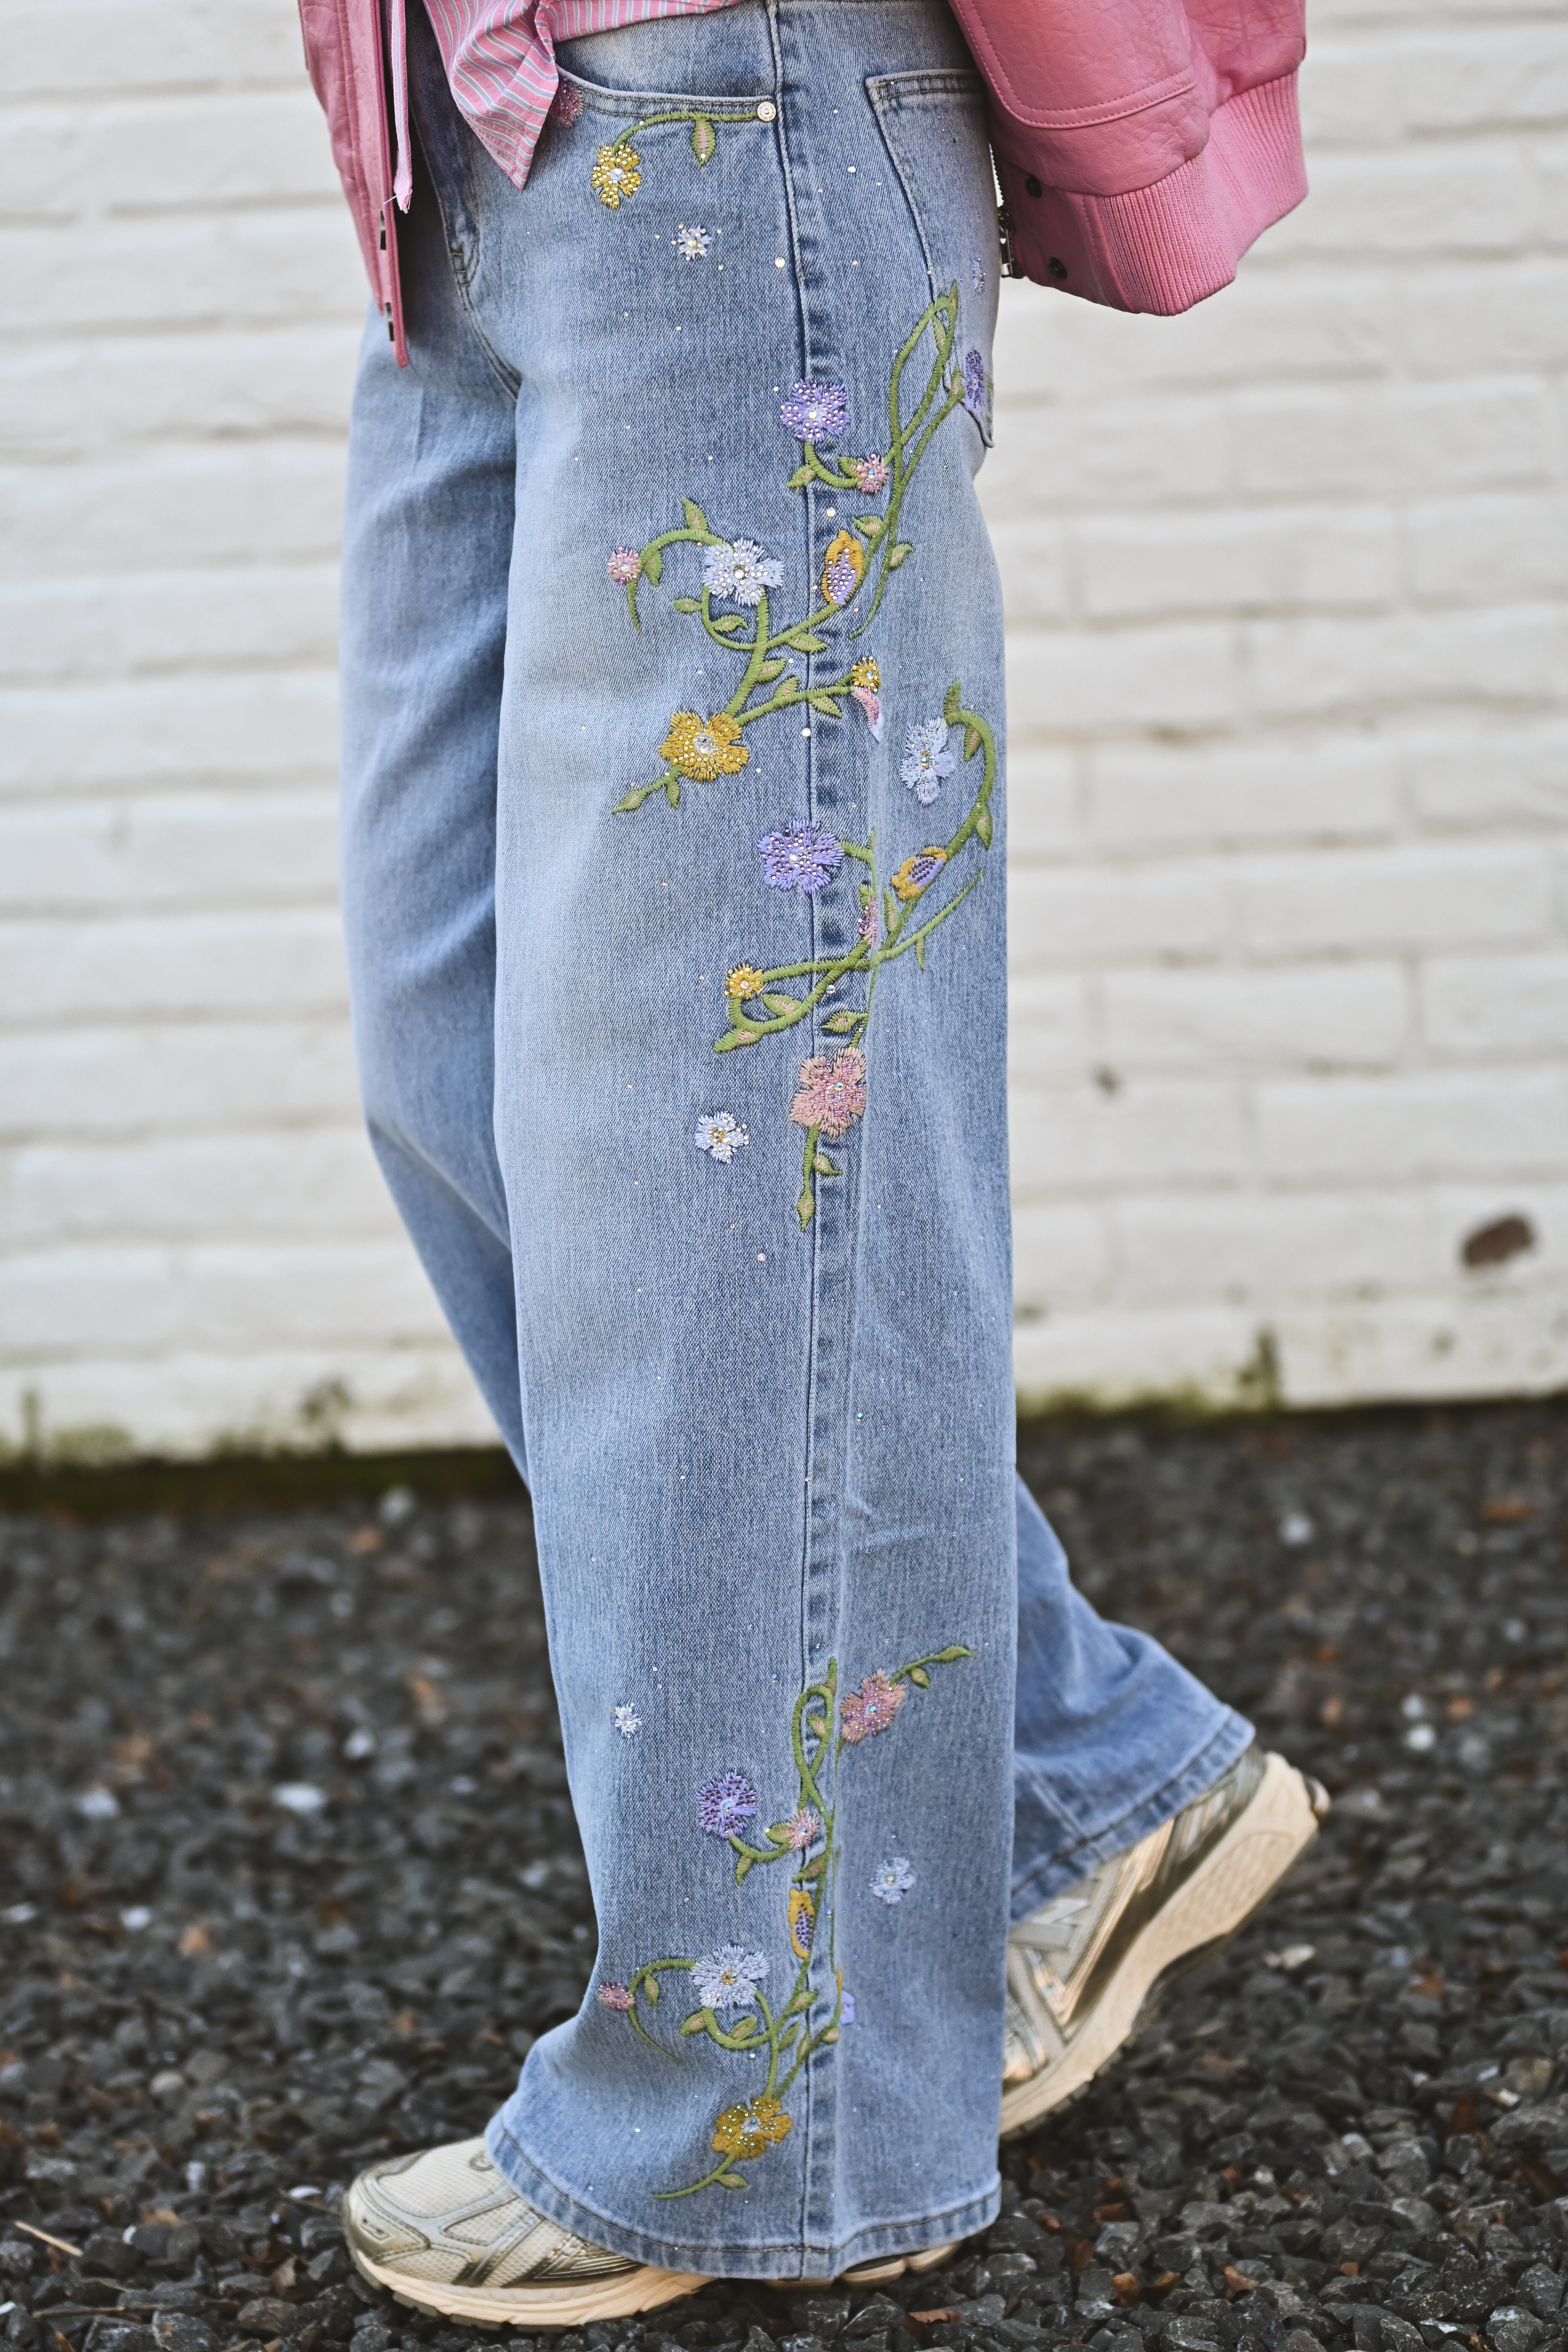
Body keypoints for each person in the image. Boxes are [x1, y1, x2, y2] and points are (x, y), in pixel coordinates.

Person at [296, 0, 1317, 2321]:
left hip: (717, 102)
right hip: (455, 147)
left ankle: (776, 2113)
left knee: (729, 1171)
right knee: (462, 1066)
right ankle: (1065, 1781)